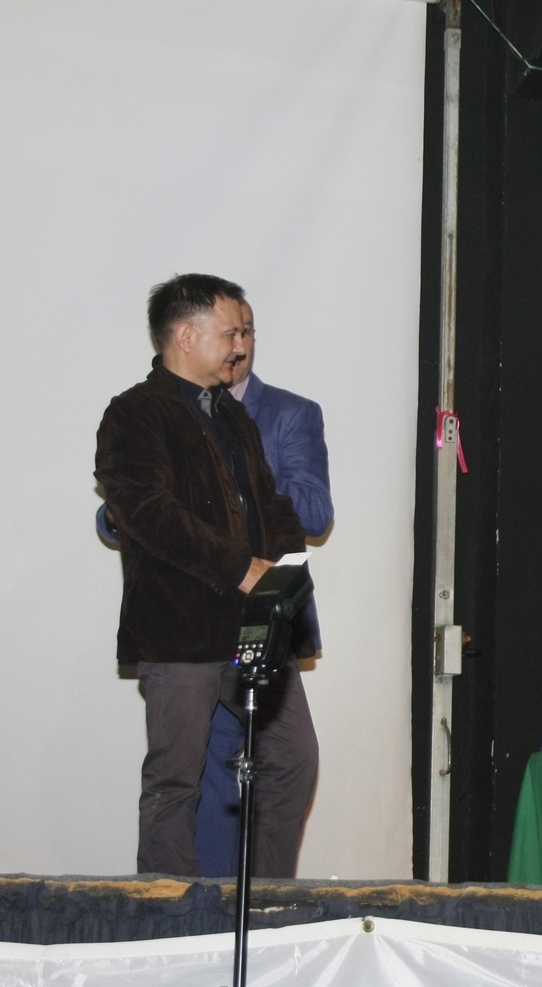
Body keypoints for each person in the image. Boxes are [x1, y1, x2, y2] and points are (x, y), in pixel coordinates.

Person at [98, 298, 335, 877]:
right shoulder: (134, 413)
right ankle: (169, 912)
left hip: (253, 625)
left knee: (293, 758)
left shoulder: (230, 414)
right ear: (185, 336)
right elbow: (152, 515)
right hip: (180, 629)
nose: (241, 345)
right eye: (230, 333)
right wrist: (240, 567)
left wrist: (283, 579)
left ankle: (267, 900)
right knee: (176, 780)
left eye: (246, 333)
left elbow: (273, 507)